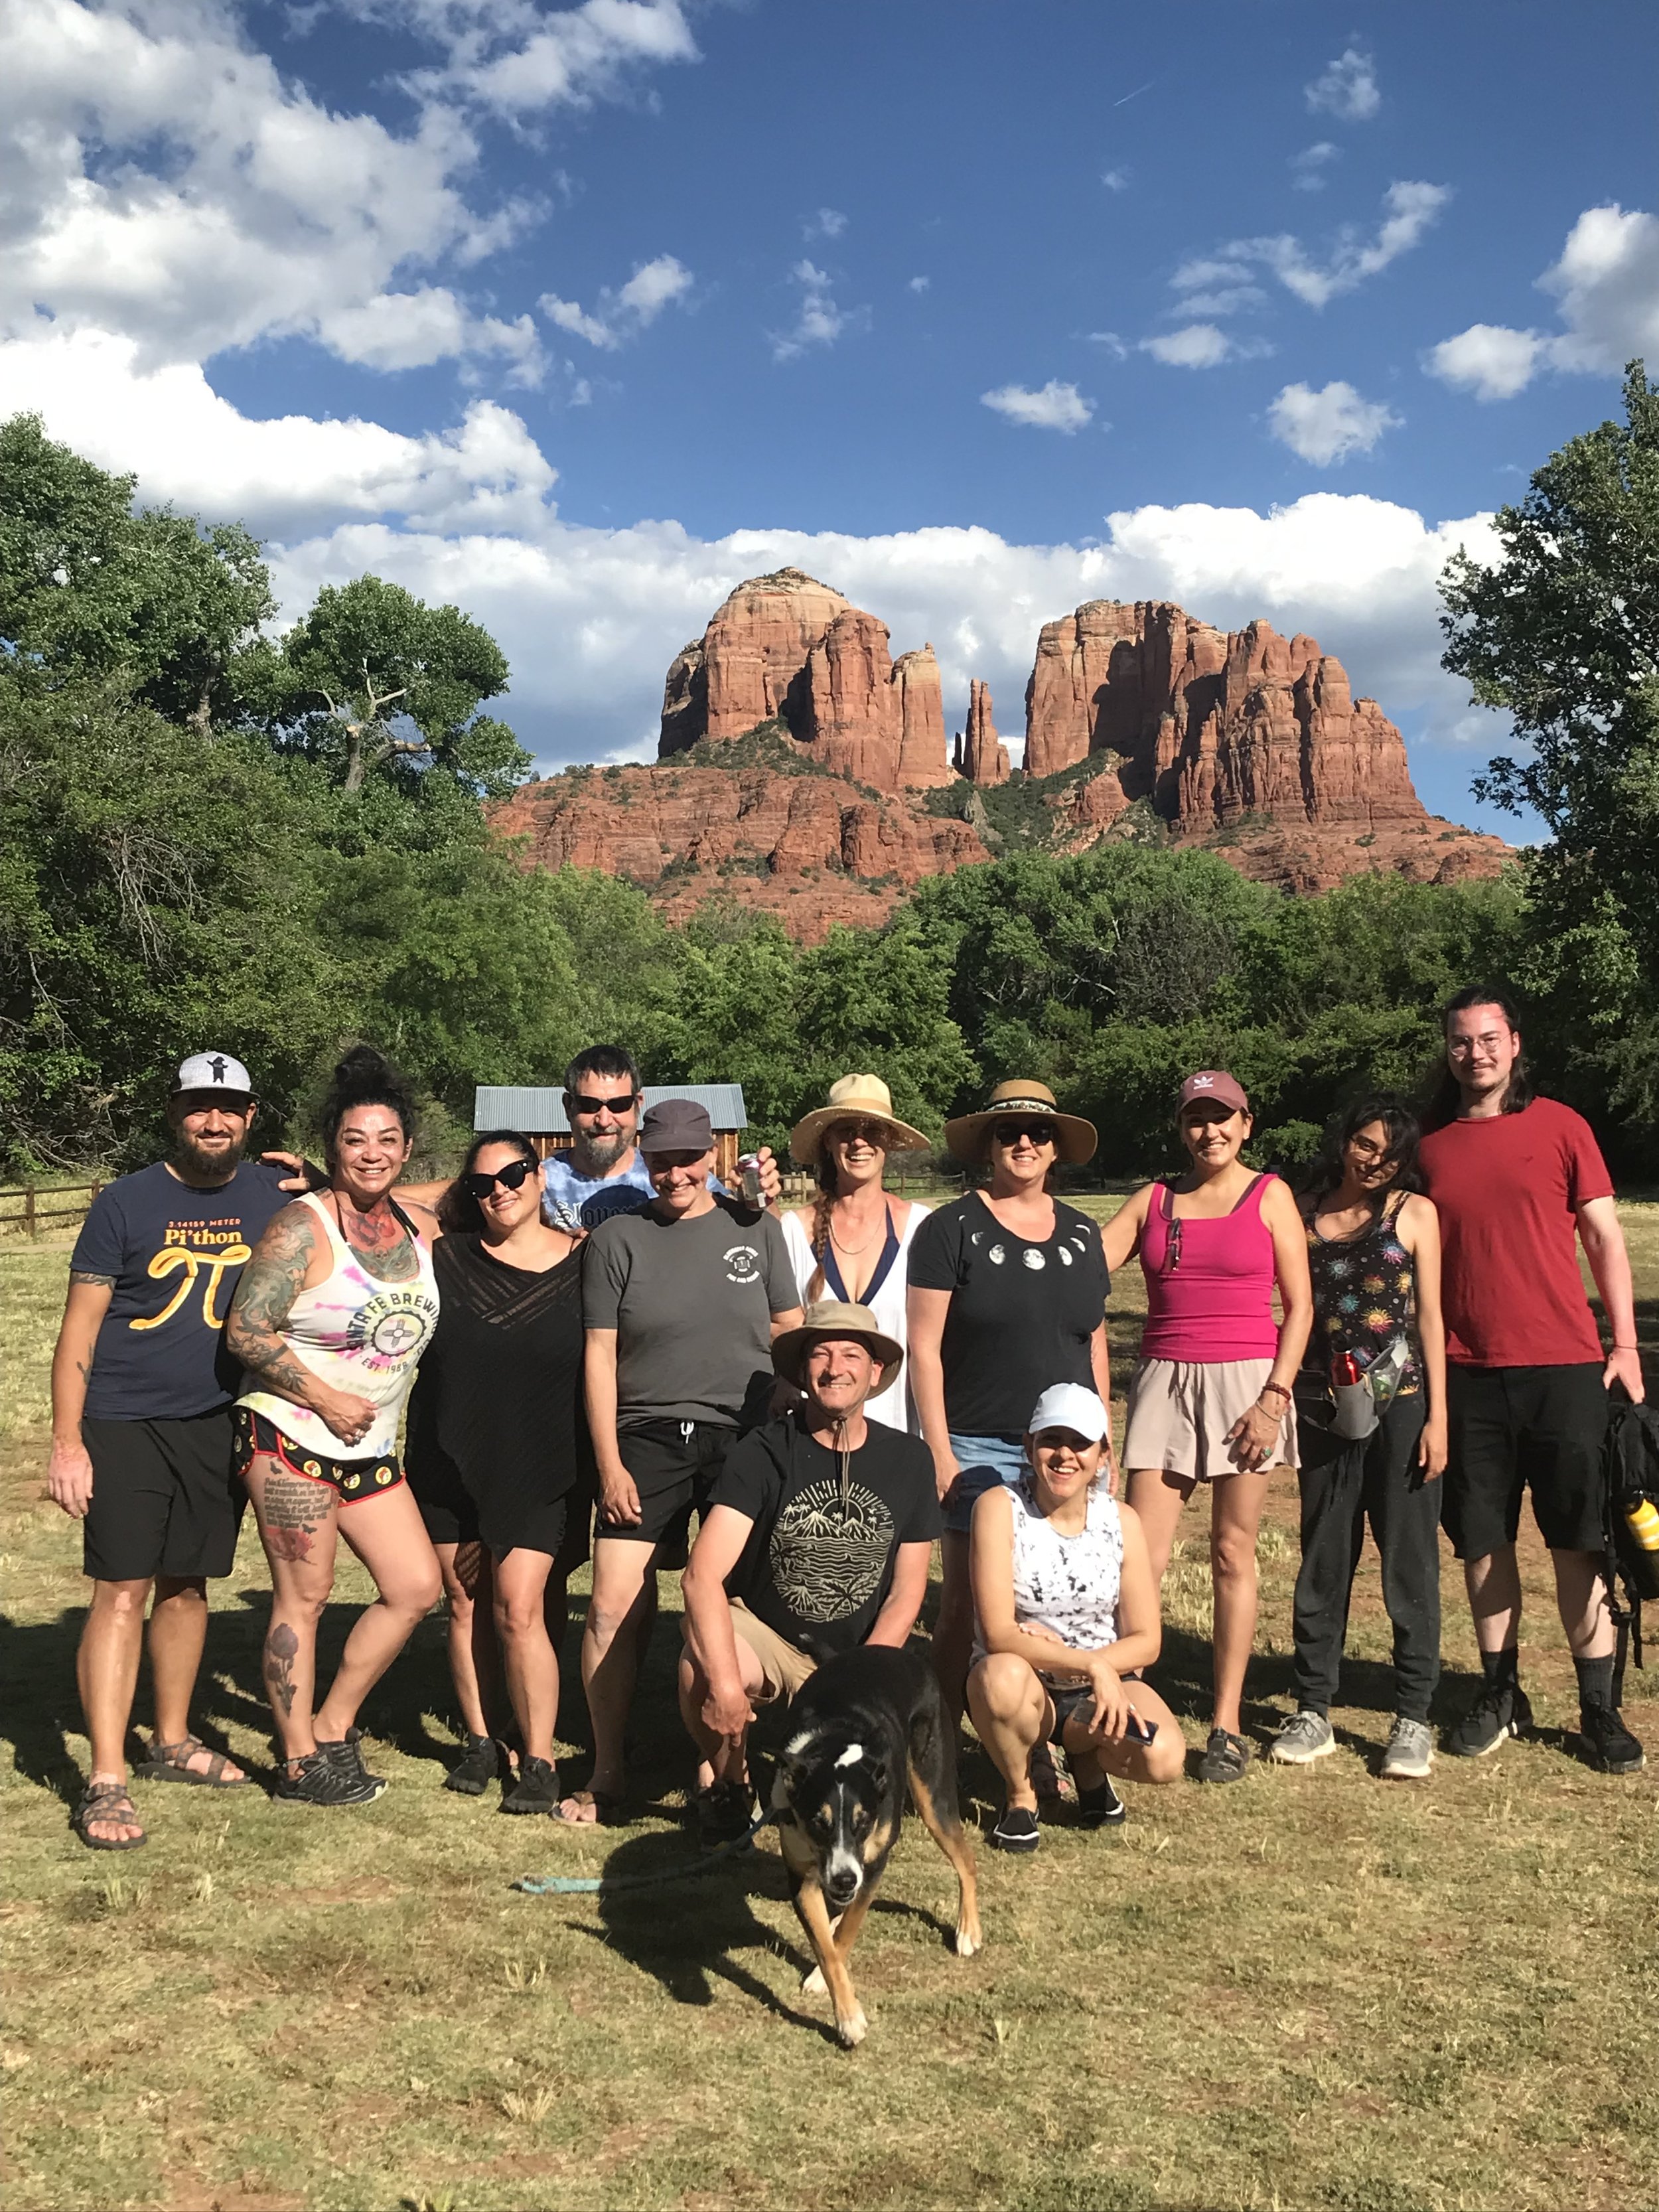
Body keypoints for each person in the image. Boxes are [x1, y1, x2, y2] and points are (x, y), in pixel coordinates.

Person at [46, 1053, 305, 1849]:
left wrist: (320, 1170)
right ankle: (107, 1777)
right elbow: (79, 1330)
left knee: (188, 1585)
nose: (213, 1122)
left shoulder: (275, 1196)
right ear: (176, 1113)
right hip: (124, 1420)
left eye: (228, 1109)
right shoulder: (125, 1202)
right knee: (122, 1589)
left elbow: (378, 1201)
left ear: (252, 1117)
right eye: (199, 1107)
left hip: (217, 1419)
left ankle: (172, 1740)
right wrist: (66, 1442)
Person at [1419, 986, 1646, 1775]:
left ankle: (1598, 1709)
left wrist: (1624, 1346)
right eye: (1459, 1041)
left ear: (1514, 1044)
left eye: (1487, 1039)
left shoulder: (1561, 1126)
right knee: (1482, 1544)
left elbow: (1604, 1239)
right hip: (1463, 1373)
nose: (1473, 1053)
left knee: (1579, 1541)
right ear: (1446, 1050)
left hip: (1562, 1368)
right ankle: (1500, 1692)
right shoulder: (1429, 1142)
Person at [569, 1098, 803, 1823]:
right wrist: (609, 1463)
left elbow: (790, 1327)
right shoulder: (619, 1239)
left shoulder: (756, 1229)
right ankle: (608, 1770)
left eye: (687, 1159)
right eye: (661, 1159)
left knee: (724, 1608)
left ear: (712, 1158)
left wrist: (785, 1417)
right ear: (645, 1157)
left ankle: (719, 1770)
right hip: (644, 1436)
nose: (674, 1173)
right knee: (612, 1604)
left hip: (741, 1435)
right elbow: (600, 1353)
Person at [226, 1047, 443, 1807]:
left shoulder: (418, 1224)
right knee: (305, 1598)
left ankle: (331, 1724)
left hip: (370, 1446)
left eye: (386, 1139)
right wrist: (322, 1397)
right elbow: (246, 1331)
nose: (372, 1153)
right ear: (331, 1148)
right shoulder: (302, 1226)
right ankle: (295, 1765)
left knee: (415, 1587)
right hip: (290, 1436)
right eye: (355, 1140)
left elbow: (493, 1182)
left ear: (407, 1148)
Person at [1102, 1070, 1313, 1784]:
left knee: (1232, 1551)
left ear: (1247, 1124)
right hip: (1163, 1379)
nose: (1209, 1131)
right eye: (1196, 1118)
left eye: (1222, 1117)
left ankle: (1224, 1722)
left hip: (1247, 1385)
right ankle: (1115, 1699)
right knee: (1140, 1557)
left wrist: (1273, 1399)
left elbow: (1300, 1307)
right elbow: (1082, 1264)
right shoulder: (1154, 1200)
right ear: (1180, 1127)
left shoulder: (1270, 1196)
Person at [679, 1300, 942, 1846]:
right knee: (698, 1666)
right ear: (802, 1370)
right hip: (768, 1633)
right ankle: (732, 1784)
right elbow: (701, 1575)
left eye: (851, 1354)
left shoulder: (910, 1460)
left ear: (875, 1372)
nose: (834, 1367)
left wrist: (863, 1678)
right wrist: (726, 1684)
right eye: (820, 1353)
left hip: (854, 1654)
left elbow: (907, 1589)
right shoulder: (763, 1450)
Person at [908, 1080, 1112, 1718]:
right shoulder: (950, 1228)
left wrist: (1102, 1442)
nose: (1024, 1142)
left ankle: (1037, 1734)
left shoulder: (1083, 1234)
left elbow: (1094, 1343)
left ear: (1056, 1150)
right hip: (976, 1441)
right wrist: (940, 1450)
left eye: (1039, 1132)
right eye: (1009, 1132)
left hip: (1066, 1449)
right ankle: (938, 1734)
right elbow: (924, 1349)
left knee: (1049, 1602)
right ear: (988, 1145)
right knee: (969, 1603)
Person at [403, 1131, 586, 1811]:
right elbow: (368, 1209)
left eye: (513, 1175)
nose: (500, 1191)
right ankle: (480, 1741)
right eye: (482, 1184)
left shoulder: (586, 1260)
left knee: (518, 1606)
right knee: (463, 1602)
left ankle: (537, 1758)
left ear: (540, 1178)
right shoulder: (442, 1259)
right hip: (447, 1453)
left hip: (543, 1461)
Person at [1268, 1097, 1447, 1781]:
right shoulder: (1302, 1211)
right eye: (1366, 1145)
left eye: (1392, 1153)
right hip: (1323, 1411)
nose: (1375, 1161)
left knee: (1408, 1562)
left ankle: (1411, 1717)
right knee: (1323, 1556)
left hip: (1401, 1404)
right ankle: (1312, 1707)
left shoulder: (1415, 1215)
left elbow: (1430, 1319)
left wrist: (1438, 1418)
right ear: (1344, 1140)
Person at [968, 1385, 1185, 1851]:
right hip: (1027, 1685)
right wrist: (1092, 1664)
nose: (1065, 1454)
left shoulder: (1121, 1519)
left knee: (1164, 1757)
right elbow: (999, 1632)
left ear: (1103, 1454)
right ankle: (1021, 1793)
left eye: (1081, 1442)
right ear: (1029, 1447)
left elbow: (1148, 1638)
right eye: (1051, 1439)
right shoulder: (998, 1508)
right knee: (998, 1678)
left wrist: (1100, 1671)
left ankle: (1086, 1764)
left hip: (1095, 1696)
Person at [780, 1074, 932, 1430]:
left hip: (899, 1438)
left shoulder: (921, 1230)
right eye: (846, 1130)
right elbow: (780, 1331)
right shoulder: (794, 1230)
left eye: (872, 1131)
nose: (859, 1142)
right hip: (813, 1436)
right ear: (828, 1142)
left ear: (890, 1142)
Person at [538, 1044, 780, 1232]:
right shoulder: (537, 1184)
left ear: (637, 1105)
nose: (604, 1119)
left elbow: (768, 1234)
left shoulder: (670, 1174)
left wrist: (761, 1199)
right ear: (568, 1106)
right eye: (589, 1105)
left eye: (619, 1105)